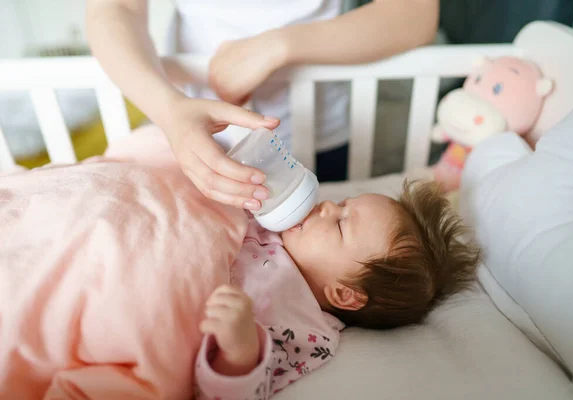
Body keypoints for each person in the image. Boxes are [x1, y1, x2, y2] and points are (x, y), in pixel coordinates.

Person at [0, 126, 478, 399]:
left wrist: (238, 349)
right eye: (343, 202)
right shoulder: (269, 219)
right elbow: (197, 190)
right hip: (133, 222)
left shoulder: (310, 331)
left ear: (345, 294)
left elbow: (247, 389)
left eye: (340, 223)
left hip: (148, 293)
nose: (328, 206)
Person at [86, 0, 439, 209]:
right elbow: (115, 8)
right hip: (196, 139)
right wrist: (170, 111)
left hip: (322, 135)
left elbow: (414, 14)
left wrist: (277, 46)